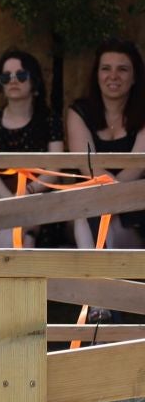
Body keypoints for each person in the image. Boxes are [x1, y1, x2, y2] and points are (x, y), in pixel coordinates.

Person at [0, 49, 66, 299]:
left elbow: (54, 168)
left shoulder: (50, 120)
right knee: (23, 237)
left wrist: (26, 193)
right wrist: (10, 201)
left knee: (16, 229)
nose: (13, 80)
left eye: (21, 75)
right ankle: (16, 311)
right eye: (6, 76)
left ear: (34, 81)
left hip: (40, 202)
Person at [63, 38, 145, 252]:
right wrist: (104, 201)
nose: (113, 76)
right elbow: (89, 167)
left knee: (99, 219)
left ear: (135, 77)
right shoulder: (79, 111)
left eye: (122, 69)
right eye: (106, 68)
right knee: (92, 217)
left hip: (134, 206)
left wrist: (111, 199)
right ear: (97, 75)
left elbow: (137, 167)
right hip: (91, 203)